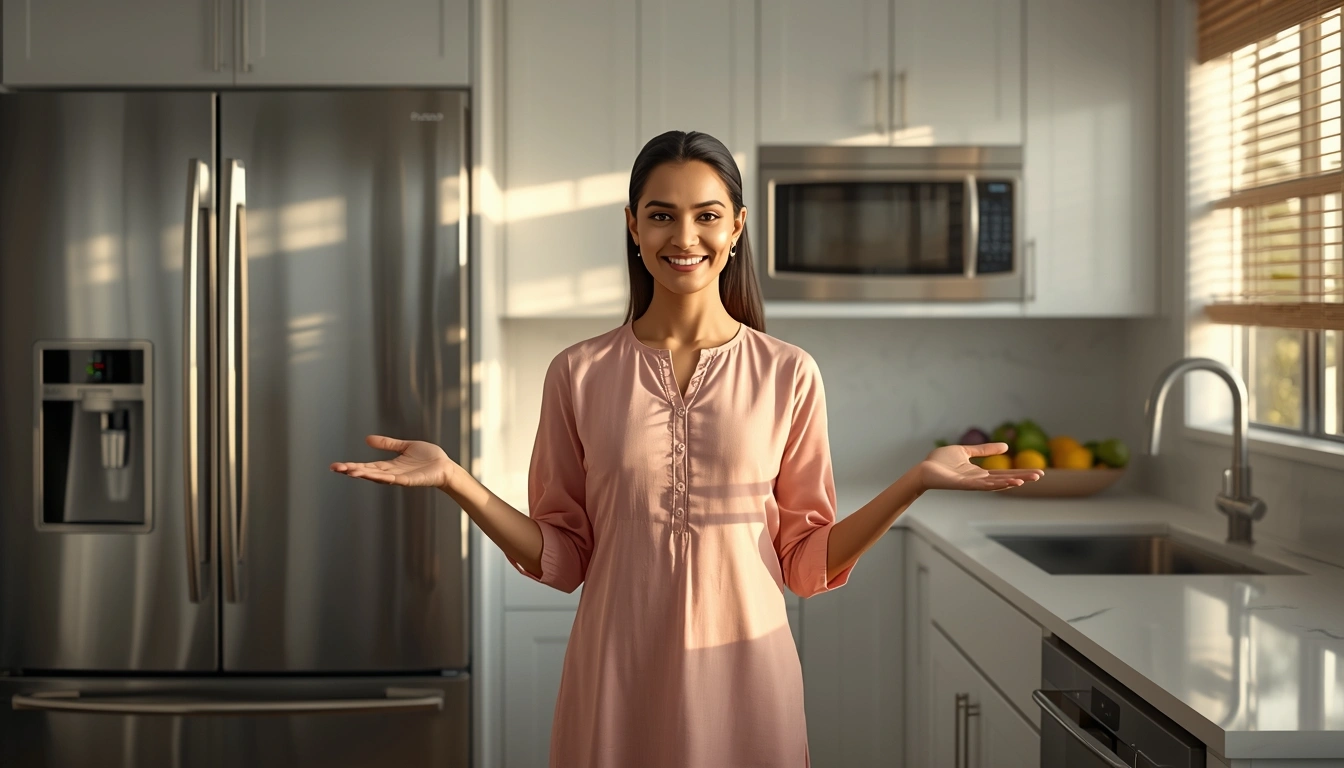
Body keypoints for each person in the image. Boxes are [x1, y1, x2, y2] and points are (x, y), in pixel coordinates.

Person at [330, 130, 1044, 767]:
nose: (685, 236)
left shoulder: (788, 372)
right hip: (616, 680)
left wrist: (913, 482)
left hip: (747, 680)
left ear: (736, 227)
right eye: (662, 214)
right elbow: (564, 558)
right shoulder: (578, 373)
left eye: (707, 216)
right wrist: (457, 480)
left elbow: (803, 563)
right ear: (633, 228)